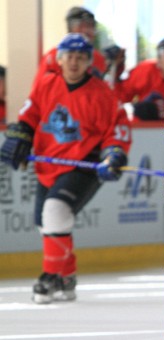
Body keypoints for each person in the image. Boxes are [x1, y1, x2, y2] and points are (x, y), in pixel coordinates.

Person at [0, 33, 132, 304]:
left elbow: (116, 130)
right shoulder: (46, 83)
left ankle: (49, 277)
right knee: (45, 223)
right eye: (69, 56)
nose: (74, 62)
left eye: (81, 57)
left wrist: (113, 154)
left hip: (84, 164)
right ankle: (66, 276)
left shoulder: (103, 93)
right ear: (58, 59)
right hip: (49, 163)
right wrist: (21, 134)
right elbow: (30, 115)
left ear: (88, 62)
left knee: (55, 210)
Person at [114, 37, 164, 121]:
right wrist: (115, 75)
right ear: (159, 58)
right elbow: (121, 98)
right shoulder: (143, 71)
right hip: (143, 126)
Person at [33, 6, 121, 83]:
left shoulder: (98, 58)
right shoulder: (52, 56)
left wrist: (117, 67)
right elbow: (39, 90)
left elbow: (106, 89)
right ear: (70, 29)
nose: (86, 31)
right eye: (81, 26)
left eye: (90, 26)